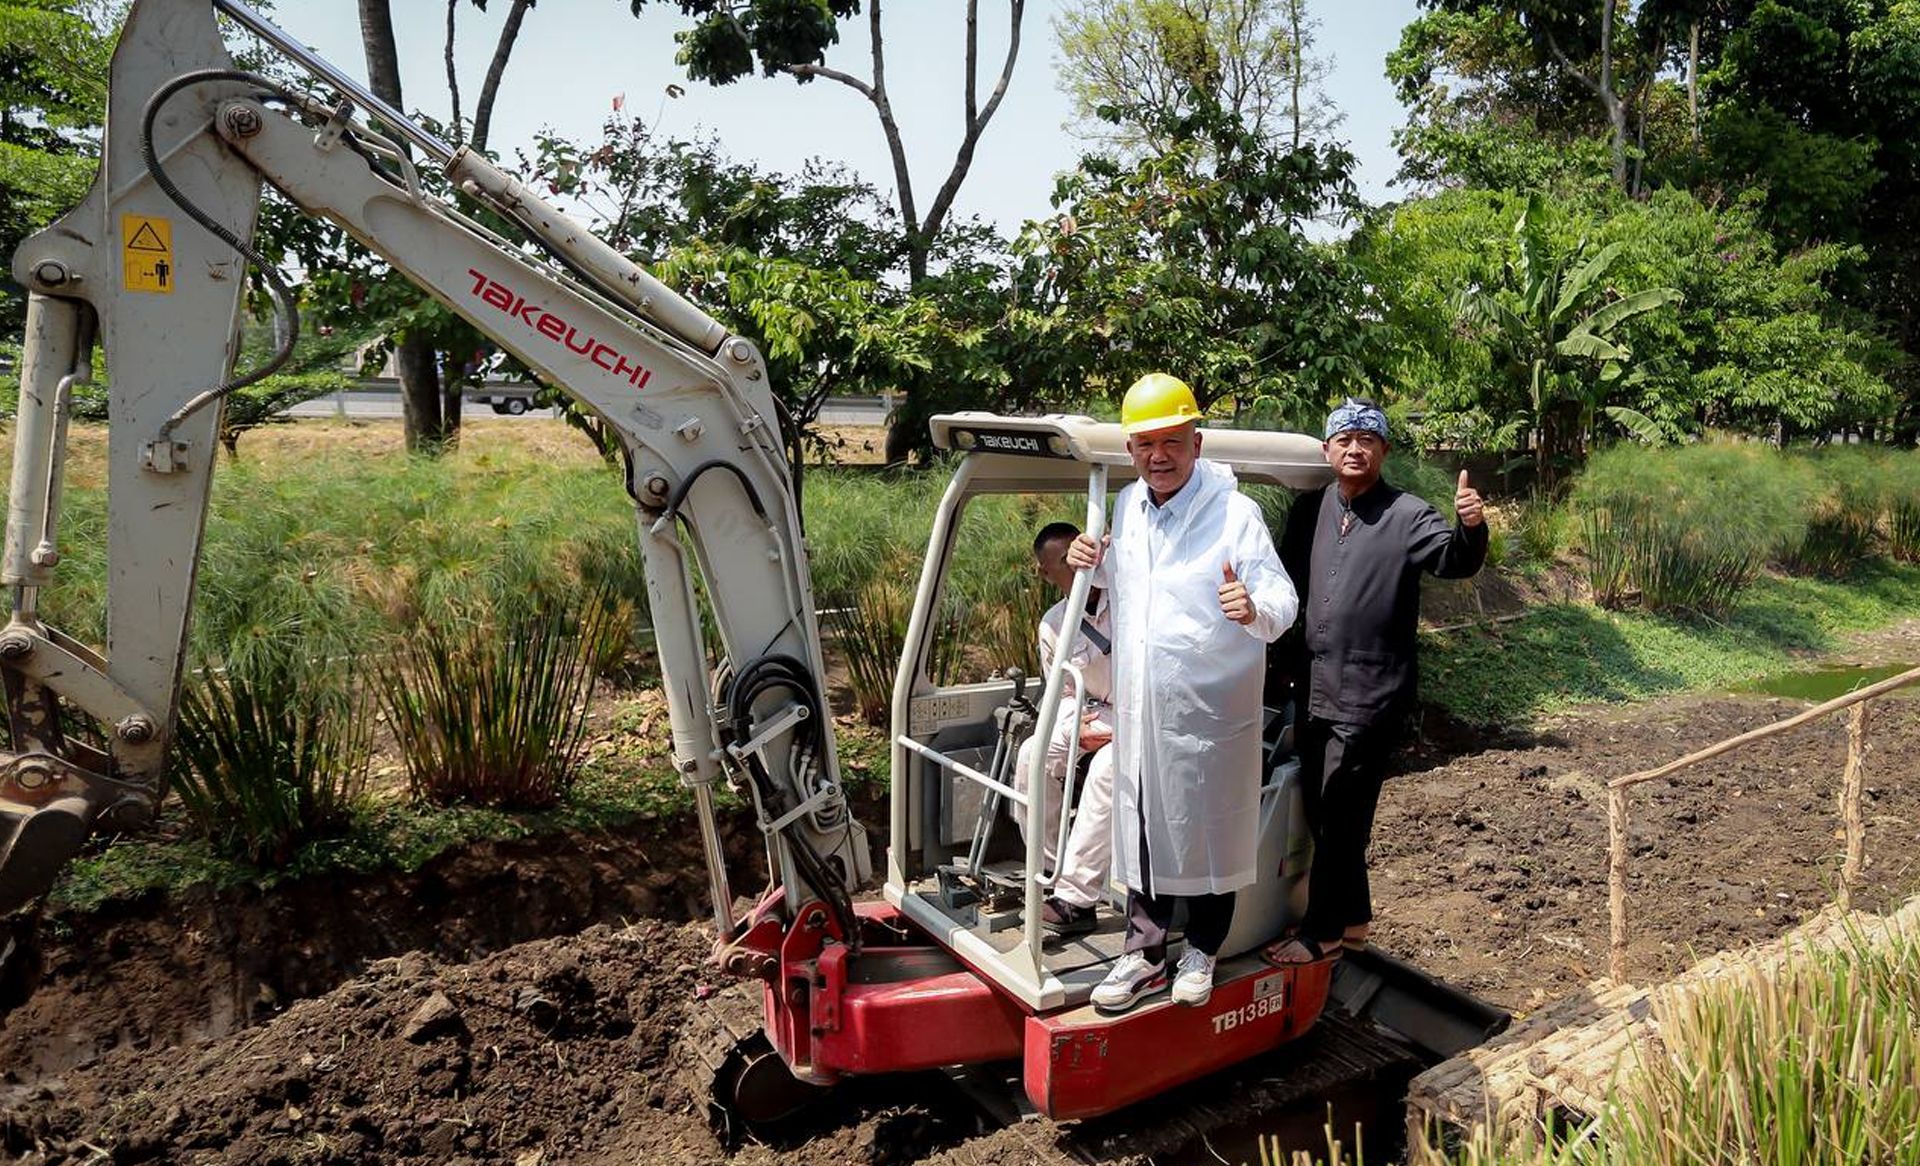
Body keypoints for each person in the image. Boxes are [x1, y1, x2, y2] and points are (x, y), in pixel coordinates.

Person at [1067, 373, 1299, 1012]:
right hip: (1141, 709)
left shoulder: (1234, 514)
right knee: (1142, 827)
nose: (1158, 457)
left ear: (1196, 441)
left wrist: (1251, 607)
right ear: (1132, 450)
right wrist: (1096, 560)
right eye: (1145, 445)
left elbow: (1283, 601)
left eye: (1171, 441)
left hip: (1208, 712)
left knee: (1206, 830)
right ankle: (1142, 954)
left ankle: (1201, 948)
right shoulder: (1128, 507)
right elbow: (1131, 586)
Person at [1262, 398, 1486, 966]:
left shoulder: (1408, 515)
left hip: (1371, 695)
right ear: (1327, 450)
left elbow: (1453, 561)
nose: (1355, 449)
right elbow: (1285, 585)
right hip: (1311, 687)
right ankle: (1356, 917)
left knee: (1342, 816)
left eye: (1367, 440)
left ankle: (1323, 933)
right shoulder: (1310, 510)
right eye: (1345, 439)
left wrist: (1470, 525)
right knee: (1320, 810)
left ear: (1383, 450)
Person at [1012, 522, 1115, 938]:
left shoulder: (1128, 599)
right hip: (1094, 716)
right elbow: (1064, 693)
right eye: (1063, 565)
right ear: (1044, 572)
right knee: (1031, 757)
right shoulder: (1053, 624)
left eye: (1079, 556)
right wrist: (1078, 731)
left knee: (1109, 767)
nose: (1076, 570)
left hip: (1143, 715)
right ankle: (1051, 872)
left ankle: (1076, 898)